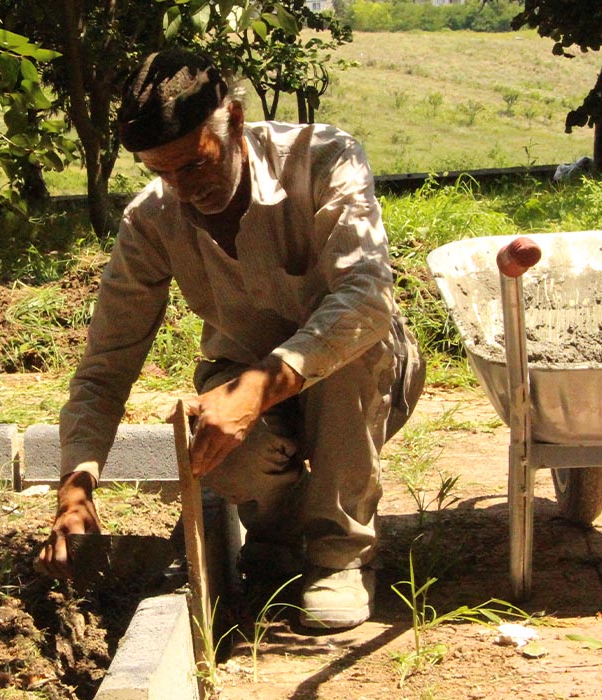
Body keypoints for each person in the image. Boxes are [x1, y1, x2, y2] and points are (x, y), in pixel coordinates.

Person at [36, 48, 424, 630]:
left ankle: (339, 554)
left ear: (235, 121)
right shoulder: (151, 220)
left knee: (348, 353)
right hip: (239, 367)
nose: (184, 189)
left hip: (364, 371)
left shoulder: (323, 159)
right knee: (216, 438)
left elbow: (367, 298)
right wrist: (75, 491)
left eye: (195, 165)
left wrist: (262, 386)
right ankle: (277, 529)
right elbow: (105, 367)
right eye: (160, 173)